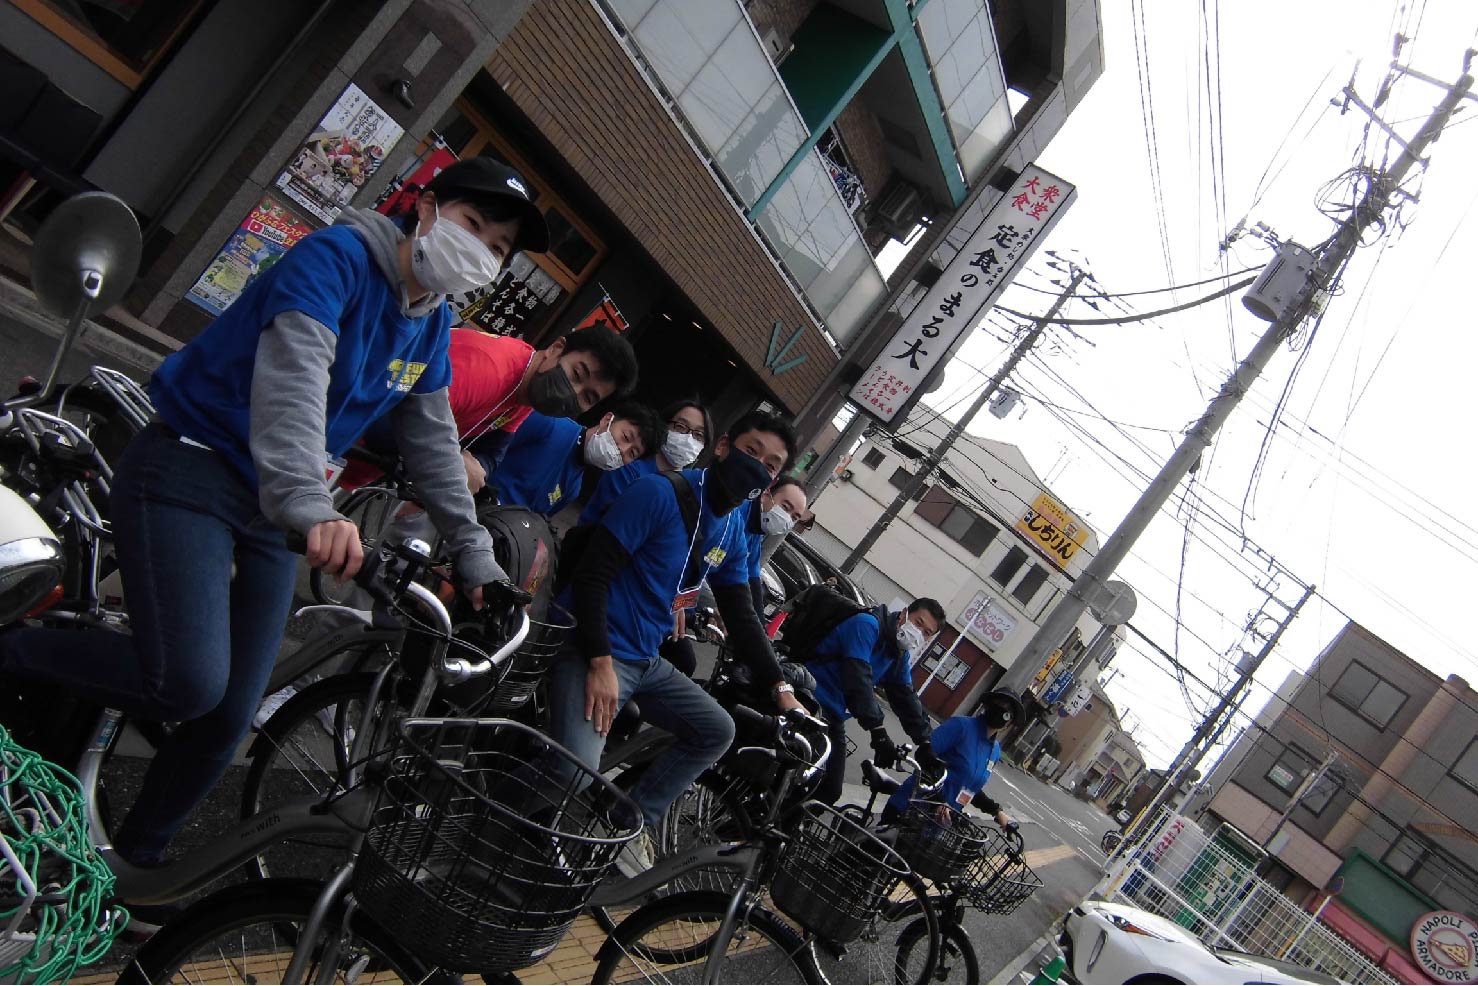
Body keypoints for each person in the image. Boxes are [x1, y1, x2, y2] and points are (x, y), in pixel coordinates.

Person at [1, 156, 546, 866]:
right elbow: (294, 375)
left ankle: (134, 865)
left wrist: (476, 558)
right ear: (427, 209)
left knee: (231, 713)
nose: (480, 252)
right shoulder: (337, 258)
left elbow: (434, 438)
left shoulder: (430, 321)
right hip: (191, 467)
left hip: (271, 514)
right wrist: (313, 506)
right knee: (187, 682)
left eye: (498, 249)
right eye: (473, 225)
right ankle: (10, 653)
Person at [554, 409, 804, 874]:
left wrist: (782, 690)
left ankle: (620, 825)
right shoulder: (659, 492)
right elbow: (592, 576)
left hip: (643, 659)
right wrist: (601, 662)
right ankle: (477, 804)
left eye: (770, 466)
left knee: (717, 730)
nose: (757, 467)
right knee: (572, 772)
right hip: (593, 647)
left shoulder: (733, 528)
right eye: (751, 452)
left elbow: (742, 615)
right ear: (723, 447)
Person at [338, 322, 639, 491]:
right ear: (556, 348)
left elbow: (493, 452)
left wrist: (474, 467)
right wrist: (453, 461)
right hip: (333, 445)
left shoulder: (526, 393)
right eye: (577, 374)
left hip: (354, 470)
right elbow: (395, 421)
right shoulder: (489, 369)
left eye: (588, 397)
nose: (573, 392)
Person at [806, 597, 947, 805]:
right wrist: (878, 731)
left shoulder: (898, 654)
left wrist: (925, 742)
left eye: (926, 633)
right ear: (904, 614)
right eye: (918, 623)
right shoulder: (868, 625)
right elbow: (857, 678)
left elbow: (905, 696)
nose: (919, 633)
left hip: (833, 716)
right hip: (809, 697)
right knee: (803, 772)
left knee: (830, 790)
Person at [480, 403, 662, 515]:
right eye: (626, 437)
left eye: (632, 453)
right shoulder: (548, 425)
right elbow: (480, 444)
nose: (623, 449)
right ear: (607, 420)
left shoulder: (573, 489)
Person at [882, 689, 1021, 830]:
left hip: (936, 826)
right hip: (910, 808)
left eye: (1007, 712)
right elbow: (925, 755)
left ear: (1009, 723)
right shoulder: (960, 726)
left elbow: (969, 788)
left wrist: (997, 811)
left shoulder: (994, 751)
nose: (1000, 711)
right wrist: (939, 801)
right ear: (987, 705)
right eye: (998, 705)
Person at [577, 398, 713, 523]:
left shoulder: (690, 492)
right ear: (665, 426)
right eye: (681, 426)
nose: (688, 438)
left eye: (698, 435)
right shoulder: (628, 465)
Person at [741, 476, 808, 615]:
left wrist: (757, 622)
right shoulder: (735, 515)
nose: (787, 518)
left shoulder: (755, 534)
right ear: (766, 494)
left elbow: (752, 576)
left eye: (794, 518)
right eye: (785, 507)